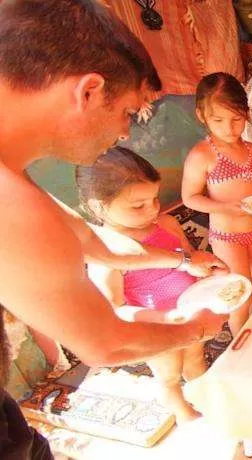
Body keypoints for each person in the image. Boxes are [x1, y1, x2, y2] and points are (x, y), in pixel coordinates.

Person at [0, 1, 227, 457]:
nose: (125, 134)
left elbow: (96, 245)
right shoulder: (14, 205)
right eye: (128, 112)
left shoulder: (15, 178)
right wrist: (197, 329)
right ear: (88, 92)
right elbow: (105, 344)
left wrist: (183, 260)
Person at [78, 147, 221, 424]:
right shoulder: (106, 253)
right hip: (155, 327)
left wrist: (211, 275)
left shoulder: (167, 224)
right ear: (98, 206)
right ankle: (184, 414)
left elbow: (190, 258)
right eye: (138, 205)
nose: (153, 209)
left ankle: (207, 398)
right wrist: (164, 318)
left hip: (190, 314)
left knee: (195, 357)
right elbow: (115, 309)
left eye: (155, 198)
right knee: (169, 374)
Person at [182, 73, 252, 336]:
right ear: (202, 116)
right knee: (240, 290)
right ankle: (239, 342)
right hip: (227, 236)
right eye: (218, 120)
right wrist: (225, 207)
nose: (229, 128)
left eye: (236, 119)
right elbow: (190, 197)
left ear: (247, 113)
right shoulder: (202, 155)